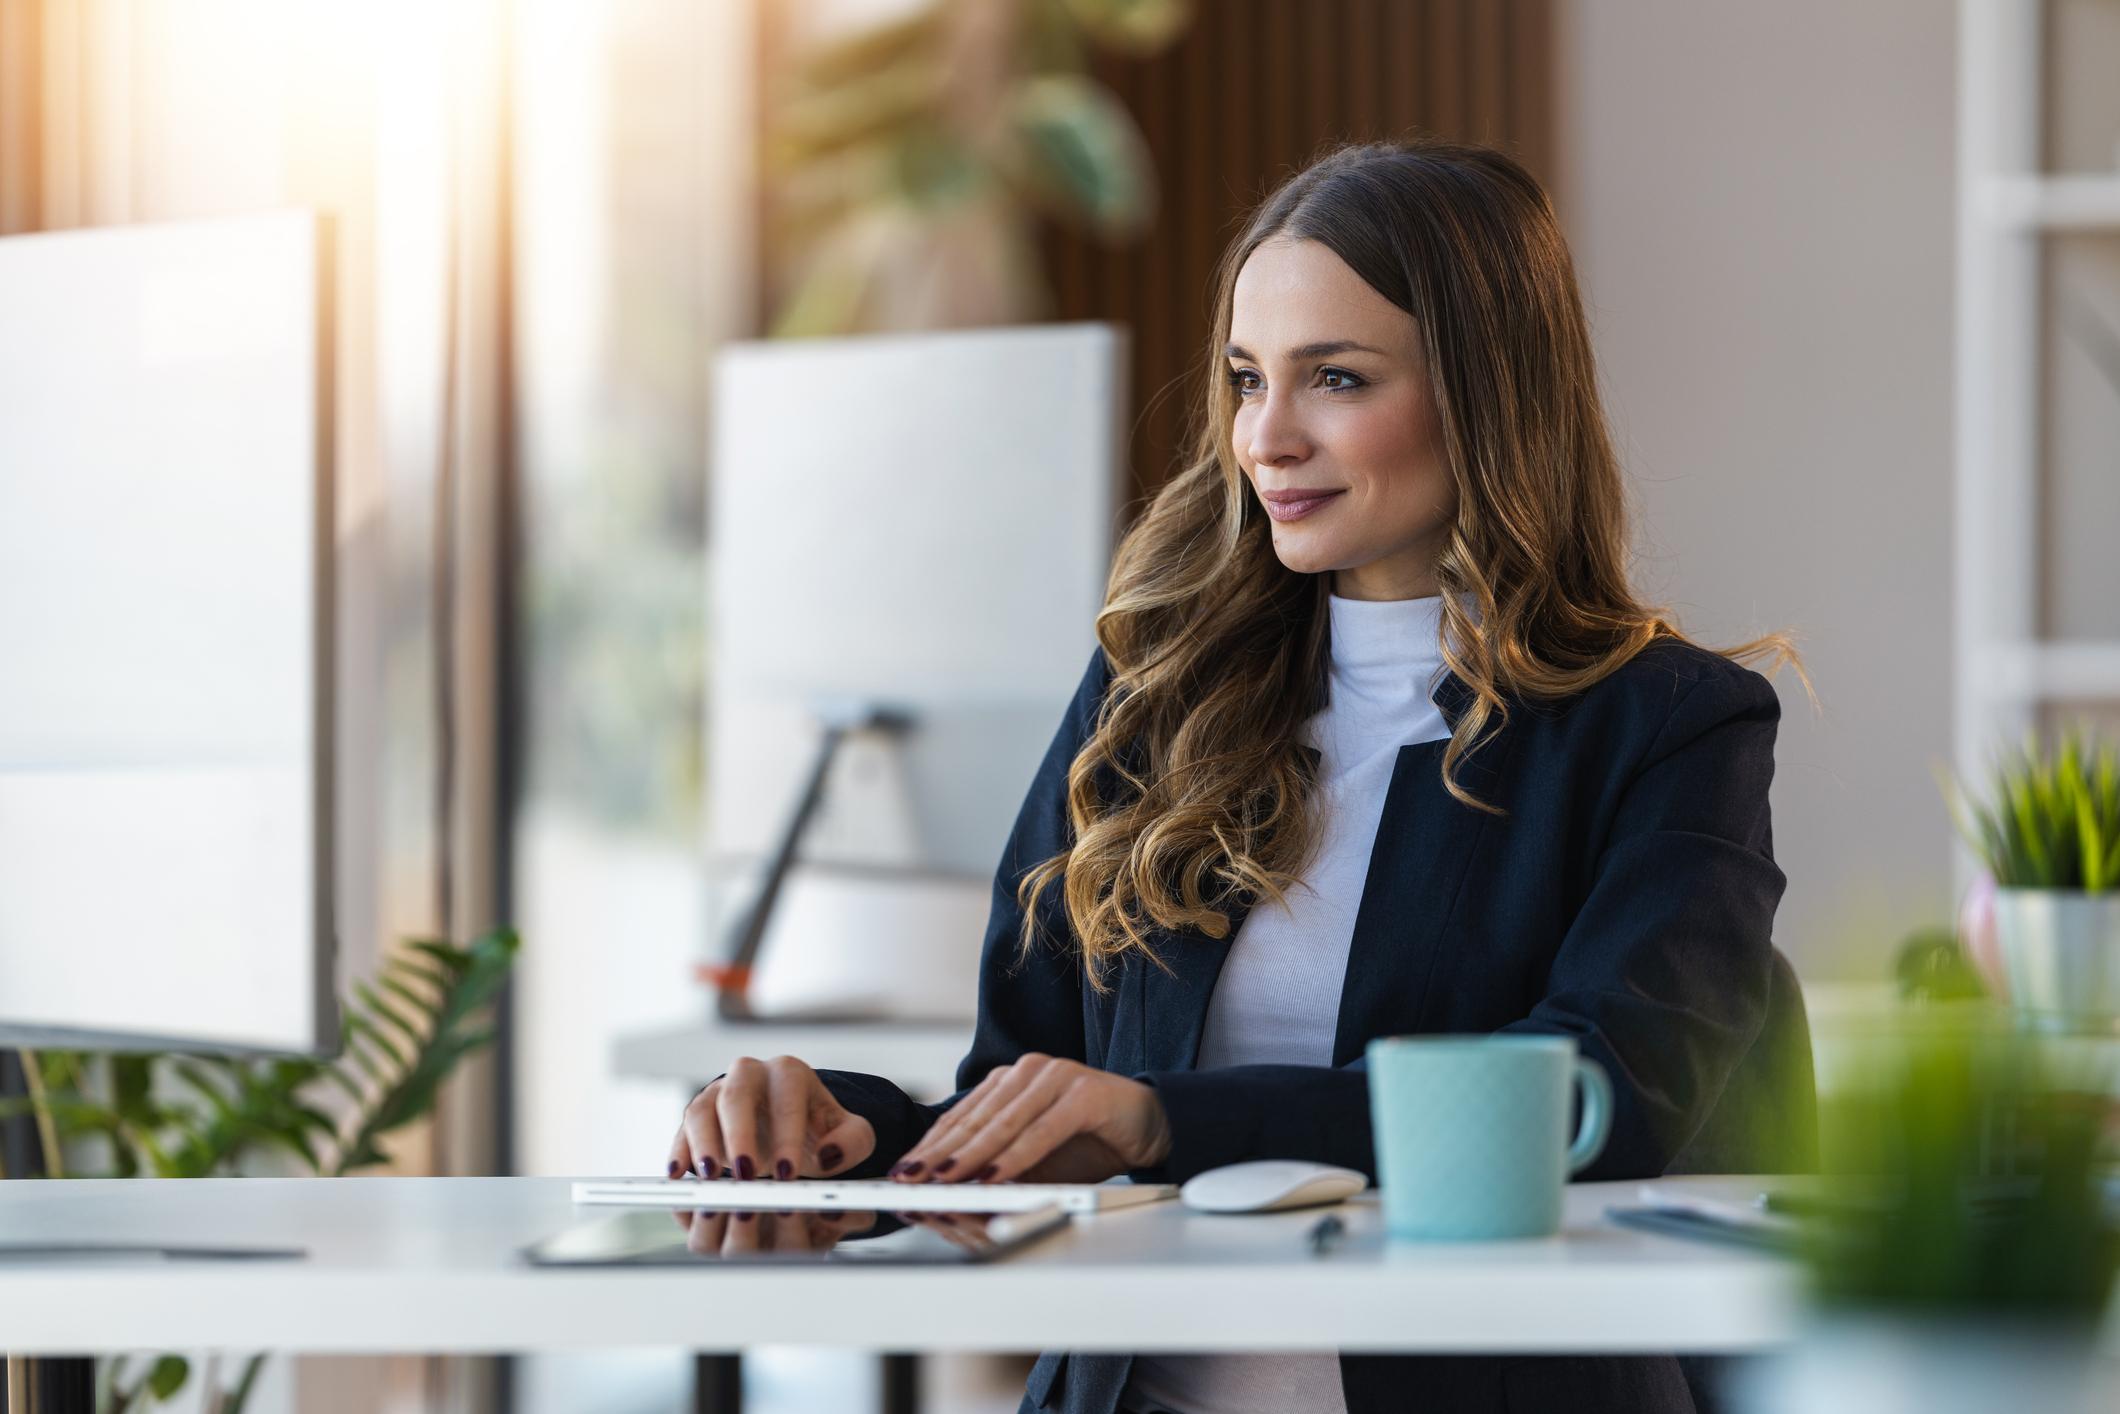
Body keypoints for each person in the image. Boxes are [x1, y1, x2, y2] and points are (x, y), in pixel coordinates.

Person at [669, 137, 1812, 1414]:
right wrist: (837, 1125)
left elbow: (1605, 1092)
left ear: (1487, 392)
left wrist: (1166, 1121)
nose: (1265, 436)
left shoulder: (1666, 726)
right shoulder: (1151, 697)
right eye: (1243, 377)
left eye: (1334, 378)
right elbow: (1021, 1078)